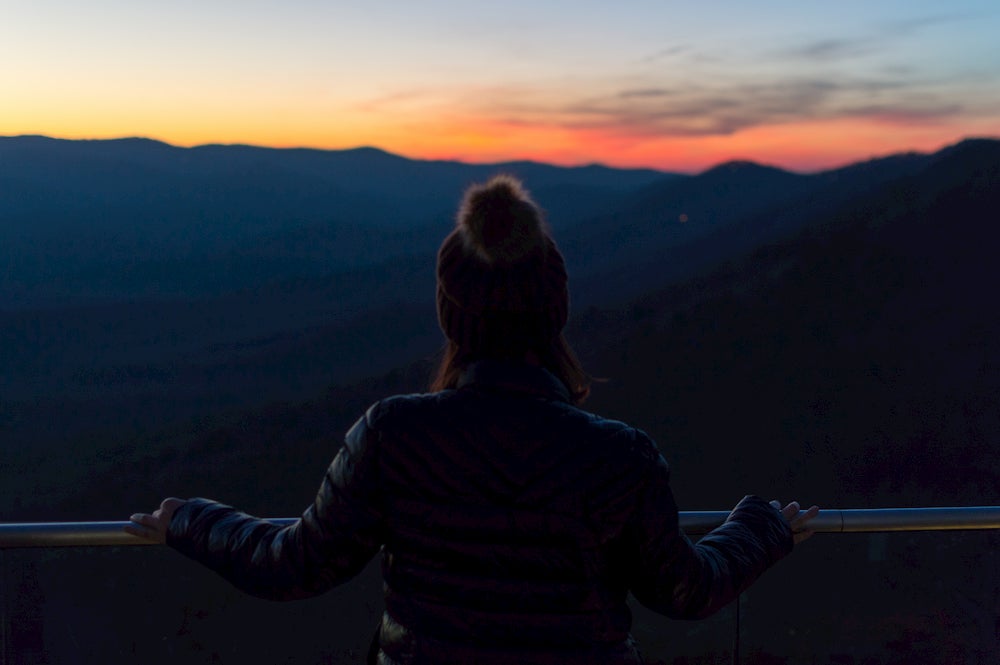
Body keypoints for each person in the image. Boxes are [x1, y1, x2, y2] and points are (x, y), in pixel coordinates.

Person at [127, 175, 819, 664]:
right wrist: (763, 525)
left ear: (451, 315)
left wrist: (188, 520)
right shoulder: (618, 455)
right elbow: (684, 589)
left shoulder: (394, 432)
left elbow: (295, 563)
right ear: (554, 311)